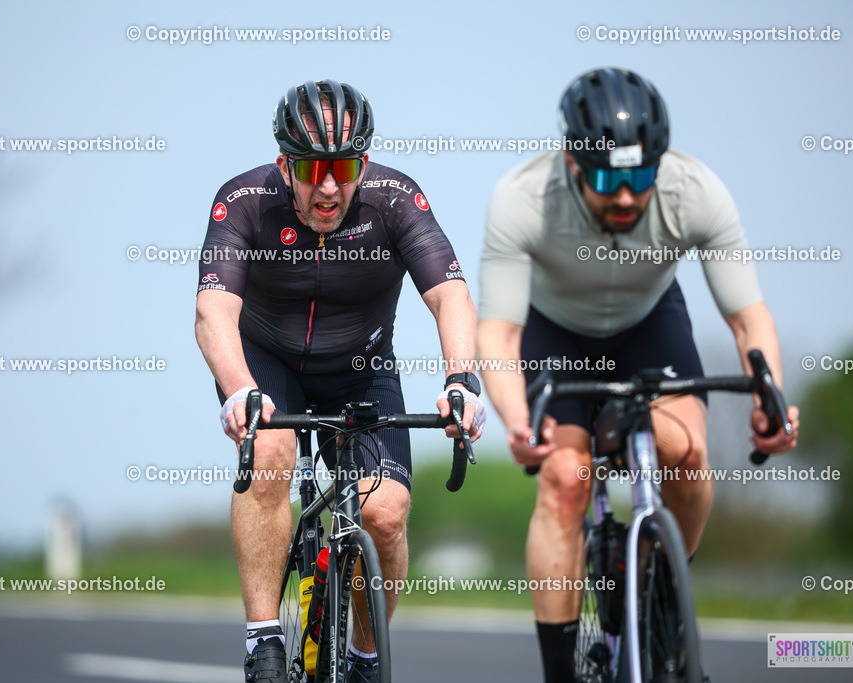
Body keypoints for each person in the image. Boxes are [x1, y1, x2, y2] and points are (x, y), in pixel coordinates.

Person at [476, 67, 800, 680]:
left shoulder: (696, 191)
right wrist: (518, 420)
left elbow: (746, 318)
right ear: (572, 164)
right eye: (606, 180)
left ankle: (661, 600)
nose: (625, 197)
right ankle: (560, 671)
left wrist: (772, 397)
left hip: (649, 326)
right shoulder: (521, 197)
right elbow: (499, 332)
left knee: (686, 453)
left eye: (640, 178)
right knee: (565, 481)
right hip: (555, 333)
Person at [195, 79, 484, 683]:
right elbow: (213, 312)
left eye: (345, 167)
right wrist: (237, 388)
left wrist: (462, 379)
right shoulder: (244, 201)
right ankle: (263, 640)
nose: (329, 186)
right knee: (271, 451)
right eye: (311, 169)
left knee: (384, 512)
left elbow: (450, 294)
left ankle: (363, 654)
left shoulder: (395, 199)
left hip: (363, 368)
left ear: (365, 161)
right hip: (268, 363)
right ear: (285, 164)